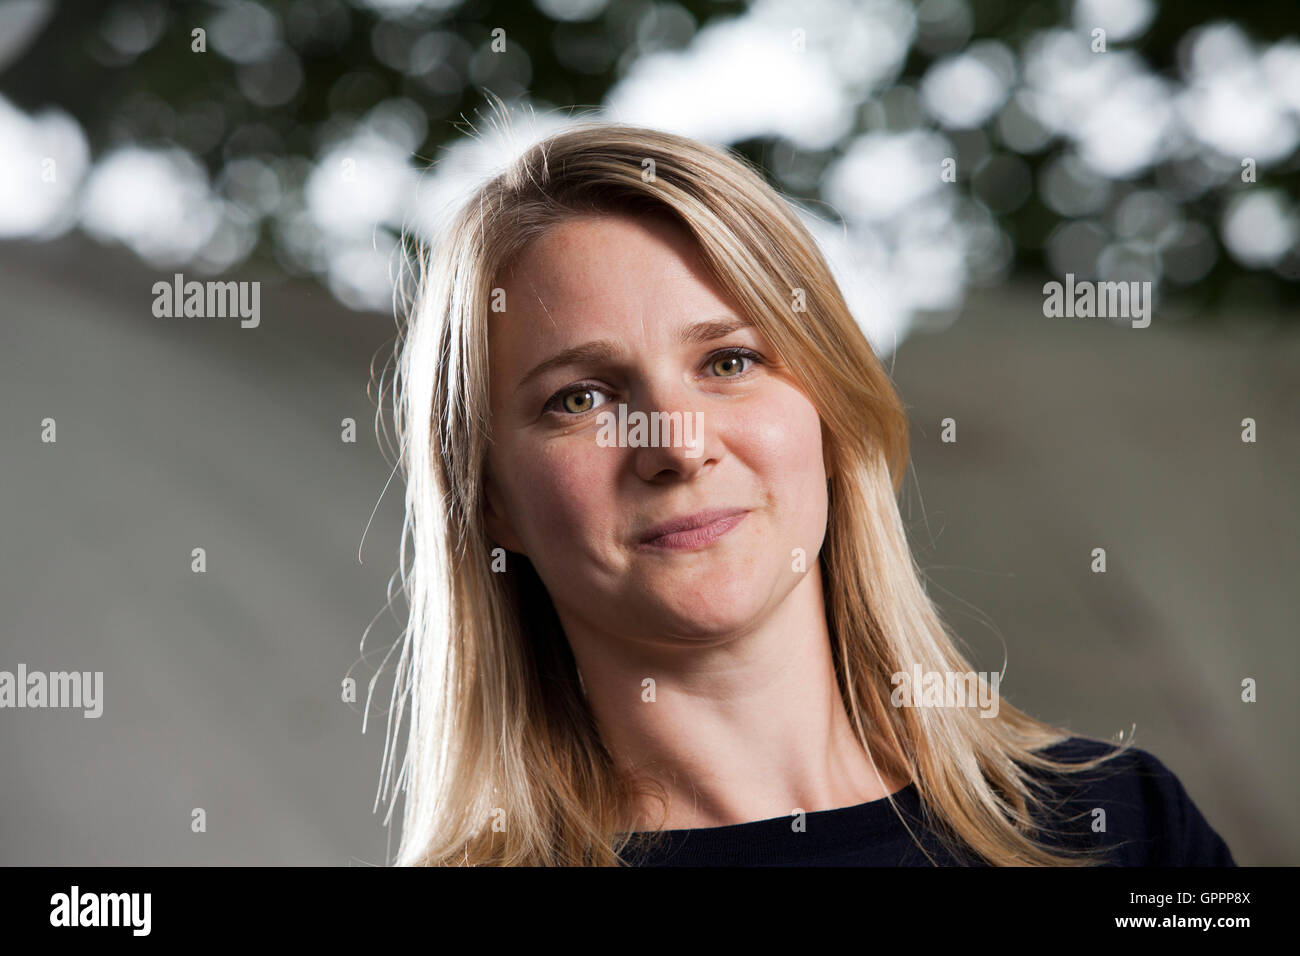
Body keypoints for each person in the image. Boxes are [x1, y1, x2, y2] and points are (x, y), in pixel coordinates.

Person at [371, 120, 1235, 867]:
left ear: (831, 413)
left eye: (730, 362)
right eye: (581, 398)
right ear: (490, 502)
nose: (677, 445)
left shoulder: (1122, 827)